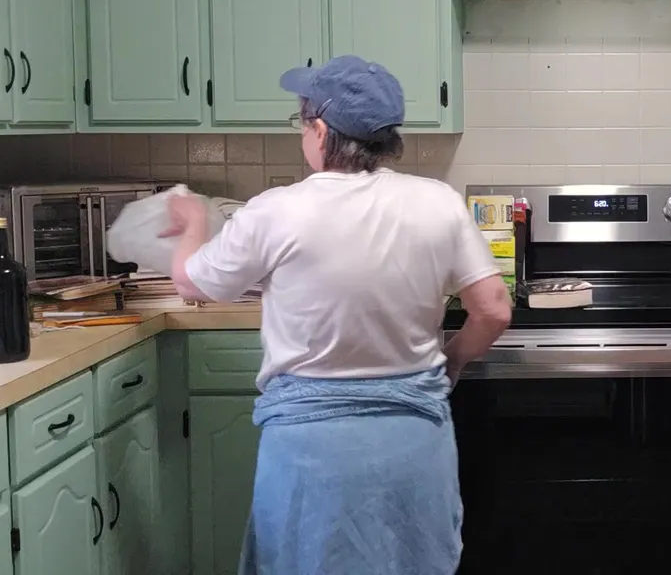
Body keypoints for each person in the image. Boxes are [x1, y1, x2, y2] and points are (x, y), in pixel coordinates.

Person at [159, 55, 512, 574]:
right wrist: (453, 360)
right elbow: (494, 310)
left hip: (309, 450)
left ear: (321, 131)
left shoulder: (276, 209)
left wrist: (193, 221)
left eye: (302, 123)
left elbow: (190, 282)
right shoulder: (438, 202)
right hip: (412, 440)